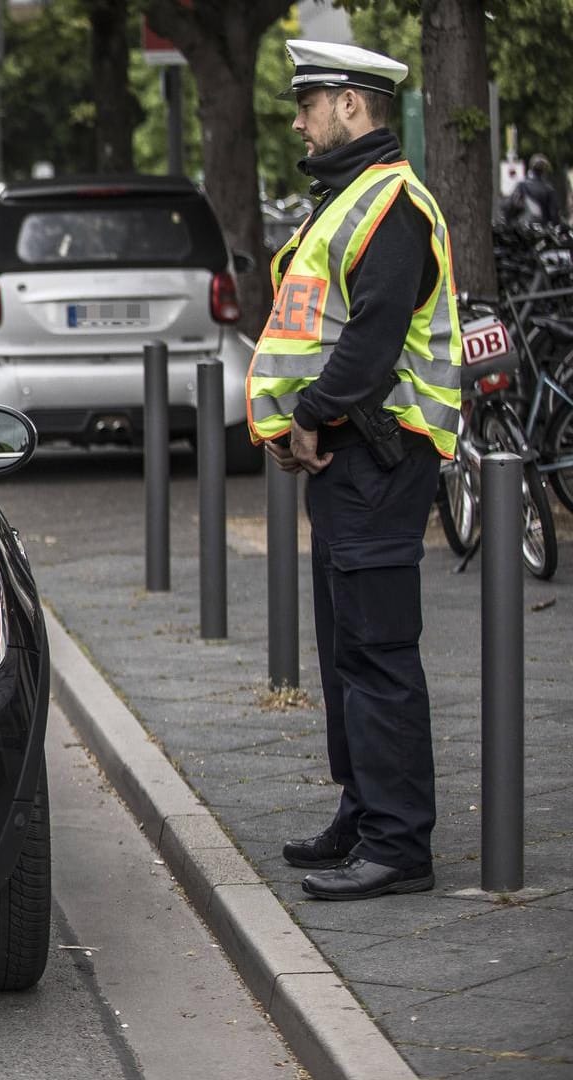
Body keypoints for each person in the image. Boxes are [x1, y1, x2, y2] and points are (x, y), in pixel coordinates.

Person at [248, 41, 462, 901]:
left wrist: (306, 415)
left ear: (350, 103)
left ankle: (400, 845)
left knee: (377, 653)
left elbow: (371, 345)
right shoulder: (347, 201)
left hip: (378, 452)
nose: (298, 122)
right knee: (346, 651)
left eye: (307, 105)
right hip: (347, 460)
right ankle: (362, 811)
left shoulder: (391, 206)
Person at [503, 153, 563, 227]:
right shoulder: (548, 189)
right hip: (542, 230)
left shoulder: (522, 185)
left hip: (522, 230)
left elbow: (509, 206)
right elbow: (554, 215)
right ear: (544, 170)